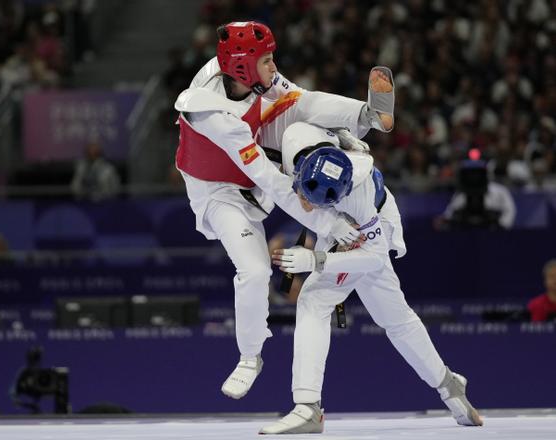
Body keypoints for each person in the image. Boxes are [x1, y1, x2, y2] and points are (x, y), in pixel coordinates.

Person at [174, 21, 396, 400]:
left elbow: (301, 98)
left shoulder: (254, 77)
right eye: (267, 61)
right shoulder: (212, 114)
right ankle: (250, 356)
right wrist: (325, 222)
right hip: (220, 191)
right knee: (255, 270)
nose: (273, 67)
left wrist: (342, 117)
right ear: (242, 67)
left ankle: (367, 118)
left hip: (256, 141)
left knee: (302, 106)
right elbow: (270, 180)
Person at [259, 122, 482, 434]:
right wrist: (349, 129)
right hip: (336, 225)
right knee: (396, 319)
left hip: (366, 232)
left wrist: (316, 259)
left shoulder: (358, 198)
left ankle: (308, 407)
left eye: (315, 202)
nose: (306, 205)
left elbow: (373, 258)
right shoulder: (297, 139)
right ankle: (449, 384)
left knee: (314, 300)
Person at [440, 156, 516, 229]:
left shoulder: (500, 191)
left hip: (493, 234)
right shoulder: (461, 193)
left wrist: (501, 227)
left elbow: (510, 211)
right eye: (471, 173)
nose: (475, 176)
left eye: (478, 173)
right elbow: (449, 214)